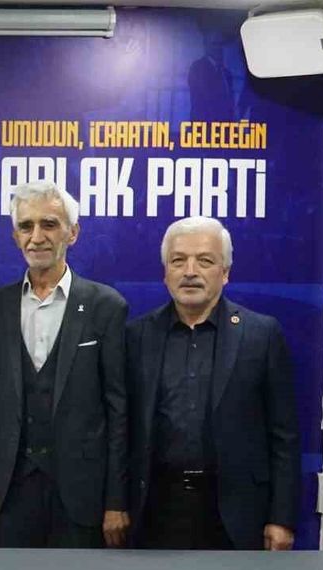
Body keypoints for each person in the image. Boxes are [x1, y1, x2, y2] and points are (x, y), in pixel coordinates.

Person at [0, 180, 129, 548]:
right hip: (9, 491)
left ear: (73, 233)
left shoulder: (106, 306)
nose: (37, 237)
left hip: (83, 494)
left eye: (49, 224)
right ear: (15, 236)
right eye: (26, 226)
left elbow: (118, 412)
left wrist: (116, 501)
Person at [127, 216, 299, 550]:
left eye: (205, 261)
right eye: (178, 261)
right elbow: (121, 429)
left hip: (236, 513)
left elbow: (284, 436)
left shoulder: (261, 335)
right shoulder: (136, 336)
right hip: (155, 511)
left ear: (225, 272)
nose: (190, 271)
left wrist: (282, 518)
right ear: (165, 272)